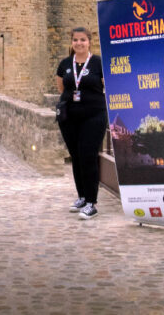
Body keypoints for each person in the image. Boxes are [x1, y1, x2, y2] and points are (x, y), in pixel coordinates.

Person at [55, 26, 107, 219]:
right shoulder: (65, 64)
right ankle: (82, 197)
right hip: (69, 118)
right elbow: (62, 88)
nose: (79, 43)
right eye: (75, 40)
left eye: (83, 40)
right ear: (72, 42)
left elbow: (106, 85)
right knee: (76, 157)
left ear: (89, 42)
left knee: (88, 156)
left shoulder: (98, 63)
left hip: (94, 116)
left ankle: (92, 203)